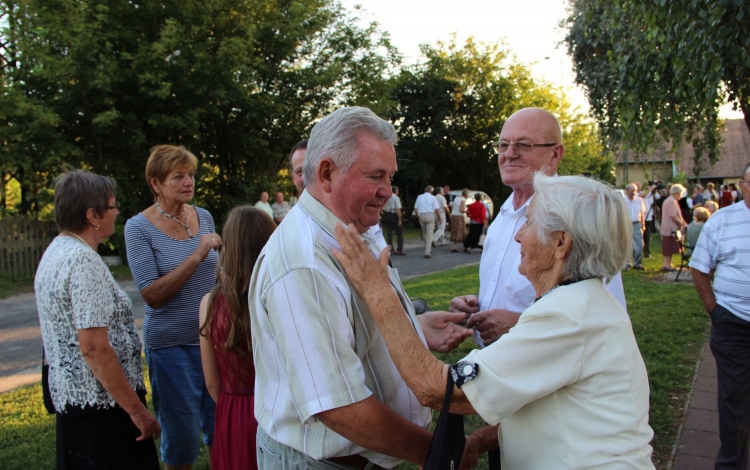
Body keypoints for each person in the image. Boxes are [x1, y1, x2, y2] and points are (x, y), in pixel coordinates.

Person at [333, 173, 655, 470]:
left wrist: (378, 292)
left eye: (528, 224)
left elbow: (437, 389)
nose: (518, 238)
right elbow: (543, 395)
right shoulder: (581, 303)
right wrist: (481, 439)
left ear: (560, 243)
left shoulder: (568, 315)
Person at [249, 106, 473, 470]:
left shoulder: (352, 227)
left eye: (390, 176)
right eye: (375, 176)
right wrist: (434, 453)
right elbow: (339, 406)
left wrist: (414, 326)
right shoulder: (304, 262)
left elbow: (350, 328)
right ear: (326, 174)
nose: (387, 191)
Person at [450, 107, 628, 347]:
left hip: (549, 377)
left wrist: (521, 325)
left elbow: (607, 318)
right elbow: (512, 293)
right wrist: (478, 304)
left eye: (524, 145)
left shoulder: (577, 216)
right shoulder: (503, 216)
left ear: (555, 154)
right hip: (497, 370)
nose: (509, 154)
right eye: (503, 145)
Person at [36, 170, 160, 469]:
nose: (117, 213)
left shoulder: (56, 251)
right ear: (93, 215)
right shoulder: (82, 261)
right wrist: (136, 411)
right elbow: (92, 346)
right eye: (113, 206)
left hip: (77, 403)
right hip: (103, 410)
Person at [125, 145, 220, 470]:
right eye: (178, 176)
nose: (188, 182)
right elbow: (152, 294)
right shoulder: (138, 228)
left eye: (191, 175)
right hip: (171, 348)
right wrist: (196, 255)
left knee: (221, 431)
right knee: (182, 443)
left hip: (214, 341)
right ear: (156, 183)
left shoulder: (203, 216)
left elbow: (215, 275)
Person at [199, 206, 276, 470]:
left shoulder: (209, 303)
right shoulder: (276, 296)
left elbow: (211, 383)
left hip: (233, 411)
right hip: (277, 407)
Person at [689, 163, 750, 470]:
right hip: (734, 324)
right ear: (743, 184)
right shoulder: (723, 220)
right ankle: (732, 464)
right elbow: (699, 267)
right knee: (734, 400)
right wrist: (714, 308)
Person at [659, 184, 687, 272]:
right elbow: (673, 216)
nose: (681, 196)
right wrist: (683, 225)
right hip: (670, 229)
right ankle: (666, 265)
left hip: (670, 229)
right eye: (680, 193)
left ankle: (668, 264)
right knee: (669, 248)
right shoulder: (671, 201)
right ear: (677, 193)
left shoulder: (672, 200)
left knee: (670, 248)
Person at [414, 185, 441, 258]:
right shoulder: (433, 197)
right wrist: (439, 218)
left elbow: (415, 208)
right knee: (429, 234)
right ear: (432, 191)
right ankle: (427, 252)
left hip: (421, 215)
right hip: (430, 215)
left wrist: (418, 216)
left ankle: (427, 248)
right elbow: (436, 209)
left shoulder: (419, 197)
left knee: (425, 233)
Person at [624, 183, 646, 270]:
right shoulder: (623, 201)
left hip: (637, 223)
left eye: (635, 190)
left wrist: (643, 224)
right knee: (627, 244)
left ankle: (637, 263)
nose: (633, 192)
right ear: (627, 191)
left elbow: (642, 213)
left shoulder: (639, 200)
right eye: (632, 190)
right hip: (627, 224)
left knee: (639, 244)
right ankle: (627, 263)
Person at [382, 185, 406, 255]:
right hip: (394, 215)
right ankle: (399, 249)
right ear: (396, 191)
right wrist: (400, 219)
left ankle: (391, 249)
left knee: (389, 233)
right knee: (399, 233)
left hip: (388, 215)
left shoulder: (386, 197)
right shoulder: (396, 198)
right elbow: (398, 209)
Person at [643, 184, 660, 258]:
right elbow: (646, 193)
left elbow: (657, 197)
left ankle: (647, 251)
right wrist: (653, 186)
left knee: (647, 235)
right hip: (643, 218)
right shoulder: (641, 196)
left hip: (648, 218)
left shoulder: (649, 197)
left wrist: (655, 191)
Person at [289, 140, 307, 206]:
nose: (307, 177)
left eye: (313, 170)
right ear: (293, 176)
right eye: (300, 171)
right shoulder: (292, 216)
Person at [450, 189, 469, 253]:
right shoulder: (463, 199)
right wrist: (467, 211)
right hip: (459, 216)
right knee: (462, 230)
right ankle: (465, 246)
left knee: (454, 230)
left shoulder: (457, 198)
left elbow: (453, 206)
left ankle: (453, 246)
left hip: (453, 215)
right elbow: (461, 209)